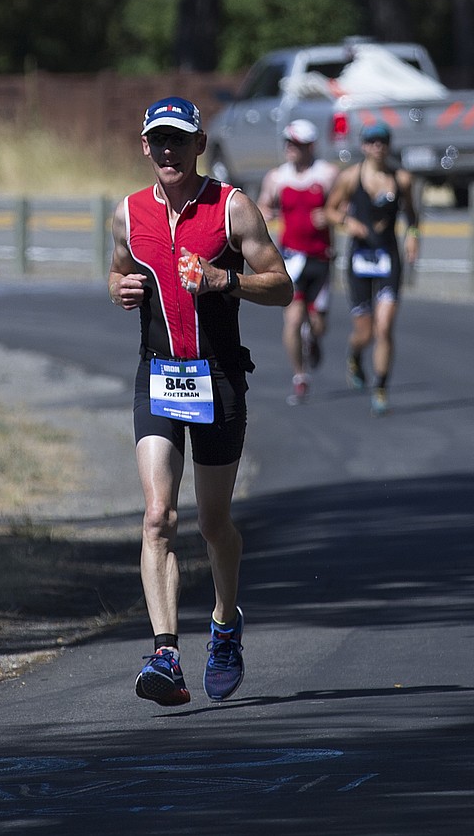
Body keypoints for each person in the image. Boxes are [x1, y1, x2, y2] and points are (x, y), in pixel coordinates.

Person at [108, 95, 292, 706]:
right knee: (158, 514)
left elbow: (282, 285)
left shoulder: (232, 208)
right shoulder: (127, 215)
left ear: (198, 145)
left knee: (214, 523)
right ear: (145, 147)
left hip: (218, 379)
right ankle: (165, 655)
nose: (168, 151)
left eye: (178, 141)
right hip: (158, 377)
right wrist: (121, 287)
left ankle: (224, 624)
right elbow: (117, 269)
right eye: (158, 141)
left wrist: (224, 279)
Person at [324, 120, 420, 417]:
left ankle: (380, 388)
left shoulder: (402, 179)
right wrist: (347, 222)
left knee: (384, 327)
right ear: (364, 146)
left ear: (389, 145)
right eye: (372, 141)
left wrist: (413, 237)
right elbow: (330, 209)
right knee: (364, 332)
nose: (378, 147)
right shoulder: (351, 177)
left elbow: (412, 216)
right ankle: (355, 355)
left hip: (388, 257)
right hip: (360, 261)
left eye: (383, 141)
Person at [257, 119, 339, 405]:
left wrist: (328, 216)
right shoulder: (277, 178)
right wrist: (265, 216)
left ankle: (313, 339)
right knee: (292, 320)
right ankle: (299, 375)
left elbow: (343, 208)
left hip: (320, 258)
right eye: (288, 143)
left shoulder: (327, 174)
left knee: (318, 322)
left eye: (297, 144)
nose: (290, 149)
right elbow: (264, 205)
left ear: (310, 146)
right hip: (291, 259)